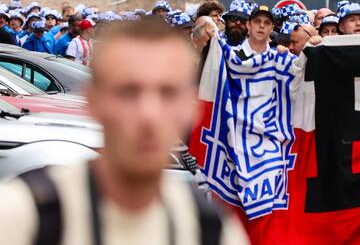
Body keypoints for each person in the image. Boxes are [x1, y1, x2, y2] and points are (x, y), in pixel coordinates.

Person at [0, 19, 249, 245]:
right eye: (128, 92)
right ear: (93, 101)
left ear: (190, 108)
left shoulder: (209, 228)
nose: (148, 114)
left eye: (167, 93)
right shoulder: (24, 214)